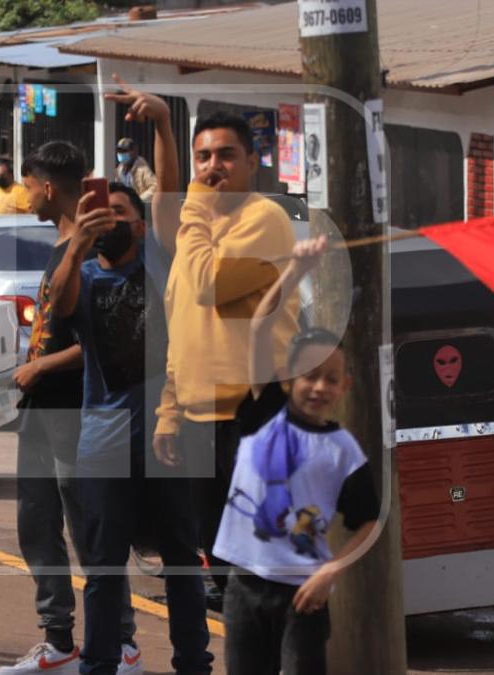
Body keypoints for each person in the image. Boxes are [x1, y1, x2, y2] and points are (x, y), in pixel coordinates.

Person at [50, 178, 212, 675]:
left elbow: (166, 191)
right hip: (104, 443)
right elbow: (58, 305)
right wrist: (76, 245)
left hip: (171, 439)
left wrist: (162, 123)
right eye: (99, 211)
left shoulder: (160, 266)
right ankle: (98, 665)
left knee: (182, 561)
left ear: (140, 227)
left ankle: (193, 664)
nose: (108, 219)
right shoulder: (82, 278)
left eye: (119, 212)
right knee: (102, 566)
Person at [0, 142, 138, 675]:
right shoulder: (63, 243)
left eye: (28, 185)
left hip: (76, 408)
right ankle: (58, 641)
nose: (23, 195)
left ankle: (121, 642)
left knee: (89, 530)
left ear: (49, 187)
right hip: (40, 409)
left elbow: (104, 336)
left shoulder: (94, 243)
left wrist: (42, 367)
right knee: (36, 524)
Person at [152, 111, 300, 608]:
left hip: (254, 412)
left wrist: (194, 203)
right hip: (200, 415)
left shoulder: (263, 219)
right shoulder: (197, 231)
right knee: (222, 558)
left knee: (263, 562)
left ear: (252, 163)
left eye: (226, 155)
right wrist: (169, 413)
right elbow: (181, 330)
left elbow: (209, 287)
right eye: (203, 157)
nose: (214, 166)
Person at [215, 236, 380, 675]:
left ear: (345, 386)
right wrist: (297, 272)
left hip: (303, 593)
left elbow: (370, 520)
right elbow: (259, 326)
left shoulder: (344, 451)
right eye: (309, 374)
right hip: (243, 587)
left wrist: (331, 573)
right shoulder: (262, 412)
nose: (319, 386)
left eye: (331, 378)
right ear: (289, 379)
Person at [113, 138, 156, 204]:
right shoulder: (119, 170)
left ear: (134, 152)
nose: (121, 154)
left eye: (125, 151)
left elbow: (155, 188)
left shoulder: (143, 170)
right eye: (119, 151)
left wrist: (139, 200)